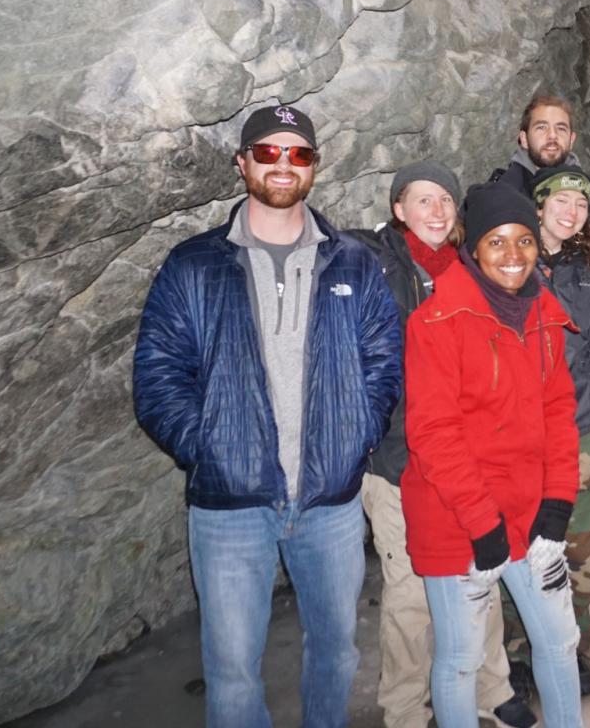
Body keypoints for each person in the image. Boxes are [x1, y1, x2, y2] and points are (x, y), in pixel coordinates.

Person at [133, 104, 401, 728]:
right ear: (242, 162)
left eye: (299, 153)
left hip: (329, 504)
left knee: (336, 655)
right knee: (230, 672)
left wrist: (352, 439)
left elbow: (384, 362)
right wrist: (210, 448)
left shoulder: (353, 264)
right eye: (269, 151)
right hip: (229, 508)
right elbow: (158, 376)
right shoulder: (193, 265)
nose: (284, 164)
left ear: (314, 167)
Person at [348, 160, 535, 728]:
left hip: (469, 455)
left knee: (484, 567)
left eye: (444, 201)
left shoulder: (471, 267)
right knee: (409, 592)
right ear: (398, 209)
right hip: (397, 458)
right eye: (421, 200)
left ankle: (491, 687)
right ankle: (405, 709)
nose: (436, 211)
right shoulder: (372, 267)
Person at [401, 182, 585, 728]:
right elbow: (434, 433)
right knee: (461, 658)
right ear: (473, 248)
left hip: (530, 508)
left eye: (525, 241)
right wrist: (482, 524)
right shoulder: (435, 322)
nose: (513, 256)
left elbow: (559, 412)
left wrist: (558, 500)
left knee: (558, 641)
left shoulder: (544, 315)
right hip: (457, 516)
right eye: (497, 242)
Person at [502, 165, 590, 698]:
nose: (571, 212)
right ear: (539, 205)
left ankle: (573, 646)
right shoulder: (509, 262)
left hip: (586, 427)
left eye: (581, 204)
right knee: (522, 539)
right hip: (523, 431)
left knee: (583, 547)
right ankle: (519, 650)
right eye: (561, 201)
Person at [492, 93, 578, 194]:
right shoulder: (502, 195)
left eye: (561, 128)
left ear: (571, 140)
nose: (552, 135)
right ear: (524, 139)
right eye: (541, 127)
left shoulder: (586, 193)